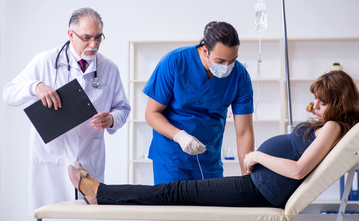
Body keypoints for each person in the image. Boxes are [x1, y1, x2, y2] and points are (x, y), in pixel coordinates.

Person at [68, 70, 359, 208]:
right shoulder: (331, 125)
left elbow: (297, 169)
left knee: (176, 192)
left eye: (321, 102)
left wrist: (257, 156)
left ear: (338, 102)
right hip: (259, 185)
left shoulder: (333, 127)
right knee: (177, 192)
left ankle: (99, 193)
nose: (315, 107)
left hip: (262, 190)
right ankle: (101, 193)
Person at [2, 7, 131, 211]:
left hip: (89, 159)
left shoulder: (109, 68)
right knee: (50, 213)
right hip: (51, 161)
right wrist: (35, 86)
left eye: (99, 38)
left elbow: (123, 108)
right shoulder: (45, 61)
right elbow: (8, 93)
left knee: (88, 214)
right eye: (86, 38)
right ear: (70, 34)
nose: (94, 44)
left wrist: (112, 119)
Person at [143, 21, 254, 184]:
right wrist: (179, 136)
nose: (227, 66)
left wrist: (248, 177)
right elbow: (151, 114)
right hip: (171, 158)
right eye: (220, 60)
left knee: (210, 209)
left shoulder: (239, 75)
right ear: (204, 50)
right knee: (173, 208)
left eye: (232, 60)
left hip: (209, 160)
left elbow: (244, 132)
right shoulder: (175, 62)